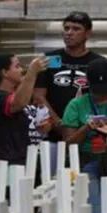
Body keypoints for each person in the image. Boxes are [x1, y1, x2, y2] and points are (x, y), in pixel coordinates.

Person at [34, 11, 102, 177]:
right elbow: (37, 96)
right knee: (51, 189)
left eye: (76, 29)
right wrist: (59, 122)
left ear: (88, 33)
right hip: (52, 138)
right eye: (66, 28)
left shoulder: (98, 63)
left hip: (89, 141)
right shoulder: (49, 59)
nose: (69, 32)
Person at [62, 57, 107, 213]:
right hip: (88, 161)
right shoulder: (77, 104)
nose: (100, 93)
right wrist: (86, 128)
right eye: (96, 88)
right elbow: (67, 143)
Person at [0, 54, 49, 192]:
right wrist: (32, 72)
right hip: (5, 165)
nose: (21, 70)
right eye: (17, 66)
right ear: (5, 73)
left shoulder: (14, 94)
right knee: (11, 208)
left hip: (24, 161)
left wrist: (42, 128)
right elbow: (18, 103)